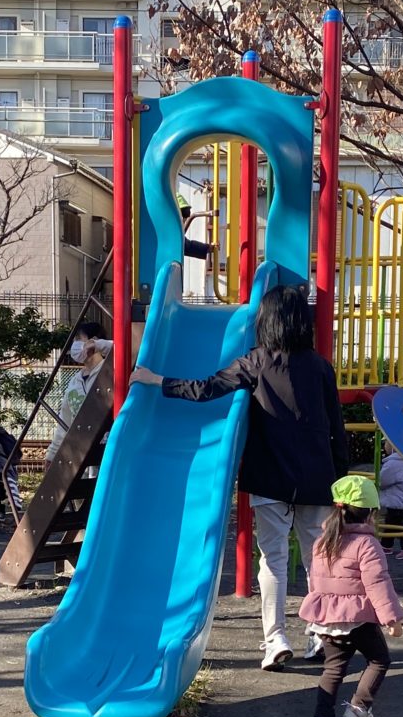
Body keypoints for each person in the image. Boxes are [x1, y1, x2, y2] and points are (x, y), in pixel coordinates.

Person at [133, 284, 348, 671]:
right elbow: (337, 427)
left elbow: (207, 388)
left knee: (273, 560)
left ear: (267, 321)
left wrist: (157, 379)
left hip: (269, 476)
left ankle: (275, 639)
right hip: (317, 478)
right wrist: (341, 480)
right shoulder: (320, 367)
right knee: (318, 560)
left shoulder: (256, 362)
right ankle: (320, 633)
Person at [298, 475, 403, 717]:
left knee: (334, 667)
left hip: (327, 617)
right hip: (357, 617)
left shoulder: (322, 541)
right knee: (379, 660)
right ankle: (359, 708)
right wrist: (391, 618)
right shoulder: (367, 544)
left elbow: (316, 580)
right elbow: (377, 583)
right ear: (371, 514)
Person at [48, 323, 110, 462]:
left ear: (94, 341)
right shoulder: (75, 382)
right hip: (81, 449)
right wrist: (52, 453)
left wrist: (99, 345)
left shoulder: (110, 371)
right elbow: (65, 419)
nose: (75, 346)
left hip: (106, 447)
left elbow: (121, 349)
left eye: (78, 339)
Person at [377, 443, 403, 559]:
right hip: (401, 498)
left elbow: (382, 481)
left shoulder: (394, 464)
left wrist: (376, 482)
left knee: (395, 523)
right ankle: (386, 546)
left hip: (398, 500)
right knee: (392, 522)